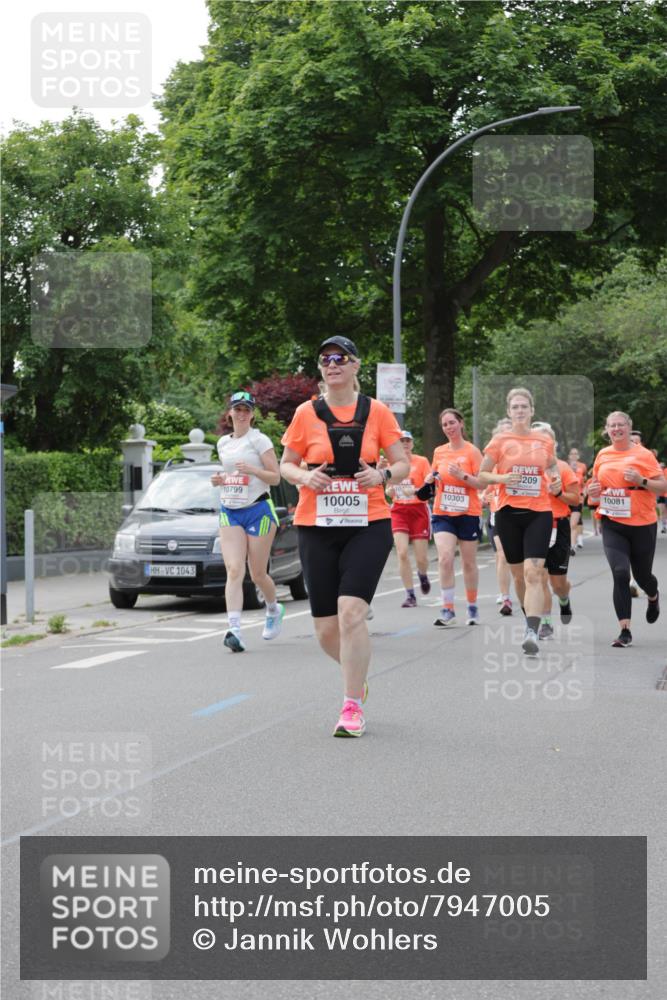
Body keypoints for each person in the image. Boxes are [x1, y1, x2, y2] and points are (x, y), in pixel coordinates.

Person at [280, 336, 409, 738]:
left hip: (368, 522)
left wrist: (382, 475)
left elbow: (402, 463)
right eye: (325, 359)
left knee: (351, 611)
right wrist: (306, 476)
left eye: (340, 358)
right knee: (325, 629)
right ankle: (357, 675)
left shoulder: (377, 412)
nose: (332, 364)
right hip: (316, 524)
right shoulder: (305, 413)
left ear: (355, 366)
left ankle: (351, 704)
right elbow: (287, 465)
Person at [478, 387, 561, 655]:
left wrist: (556, 479)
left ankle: (532, 632)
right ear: (508, 411)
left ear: (532, 410)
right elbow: (482, 475)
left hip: (539, 511)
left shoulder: (543, 441)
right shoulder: (500, 441)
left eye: (524, 406)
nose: (520, 411)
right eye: (515, 407)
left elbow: (551, 467)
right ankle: (530, 619)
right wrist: (502, 479)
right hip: (507, 513)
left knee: (534, 572)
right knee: (518, 576)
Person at [211, 391, 284, 653]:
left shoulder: (260, 440)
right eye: (237, 409)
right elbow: (230, 474)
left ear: (252, 414)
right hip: (230, 509)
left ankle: (274, 609)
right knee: (233, 570)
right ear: (230, 413)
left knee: (257, 574)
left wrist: (253, 470)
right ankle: (234, 630)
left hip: (258, 511)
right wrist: (220, 479)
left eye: (246, 410)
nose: (241, 414)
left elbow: (275, 477)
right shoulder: (222, 443)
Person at [587, 411, 666, 647]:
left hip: (642, 523)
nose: (616, 429)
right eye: (612, 425)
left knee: (643, 577)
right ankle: (624, 630)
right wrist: (592, 493)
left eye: (621, 425)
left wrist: (641, 480)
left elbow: (661, 487)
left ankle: (653, 596)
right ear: (607, 429)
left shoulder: (644, 455)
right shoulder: (603, 454)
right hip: (613, 522)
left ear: (629, 427)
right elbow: (594, 486)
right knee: (620, 572)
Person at [418, 409, 484, 626]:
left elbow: (482, 483)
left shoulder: (473, 452)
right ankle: (448, 609)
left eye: (452, 422)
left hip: (467, 513)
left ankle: (472, 607)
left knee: (468, 563)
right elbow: (434, 476)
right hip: (443, 512)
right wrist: (429, 478)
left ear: (461, 423)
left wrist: (462, 476)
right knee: (445, 558)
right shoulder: (439, 452)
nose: (449, 427)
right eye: (445, 424)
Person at [531, 423, 580, 639]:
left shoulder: (563, 468)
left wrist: (559, 493)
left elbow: (576, 499)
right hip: (534, 524)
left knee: (557, 582)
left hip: (558, 525)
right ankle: (546, 623)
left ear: (553, 443)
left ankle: (564, 599)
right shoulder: (528, 468)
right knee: (539, 576)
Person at [385, 431, 432, 607]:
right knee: (402, 552)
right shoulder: (393, 463)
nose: (404, 444)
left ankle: (422, 574)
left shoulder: (421, 461)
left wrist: (415, 490)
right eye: (401, 441)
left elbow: (429, 485)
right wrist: (389, 491)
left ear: (412, 444)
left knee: (421, 558)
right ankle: (410, 594)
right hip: (399, 510)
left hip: (418, 510)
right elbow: (388, 489)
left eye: (407, 441)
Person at [483, 417, 513, 615]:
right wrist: (483, 495)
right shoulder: (490, 460)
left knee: (513, 558)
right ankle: (505, 597)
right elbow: (482, 483)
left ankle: (525, 587)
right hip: (497, 511)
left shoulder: (525, 457)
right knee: (502, 555)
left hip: (523, 512)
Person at [568, 448, 588, 552]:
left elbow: (585, 483)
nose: (574, 456)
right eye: (572, 454)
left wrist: (584, 492)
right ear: (569, 456)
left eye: (576, 454)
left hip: (578, 500)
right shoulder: (565, 467)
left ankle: (573, 546)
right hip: (566, 499)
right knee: (566, 524)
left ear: (578, 456)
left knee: (574, 523)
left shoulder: (582, 467)